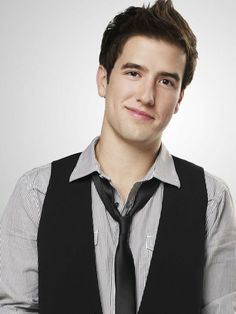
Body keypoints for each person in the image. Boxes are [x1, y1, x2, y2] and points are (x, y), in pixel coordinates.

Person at [0, 0, 235, 313]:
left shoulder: (211, 199)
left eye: (166, 81)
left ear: (179, 98)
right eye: (134, 72)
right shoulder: (36, 193)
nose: (147, 96)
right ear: (103, 79)